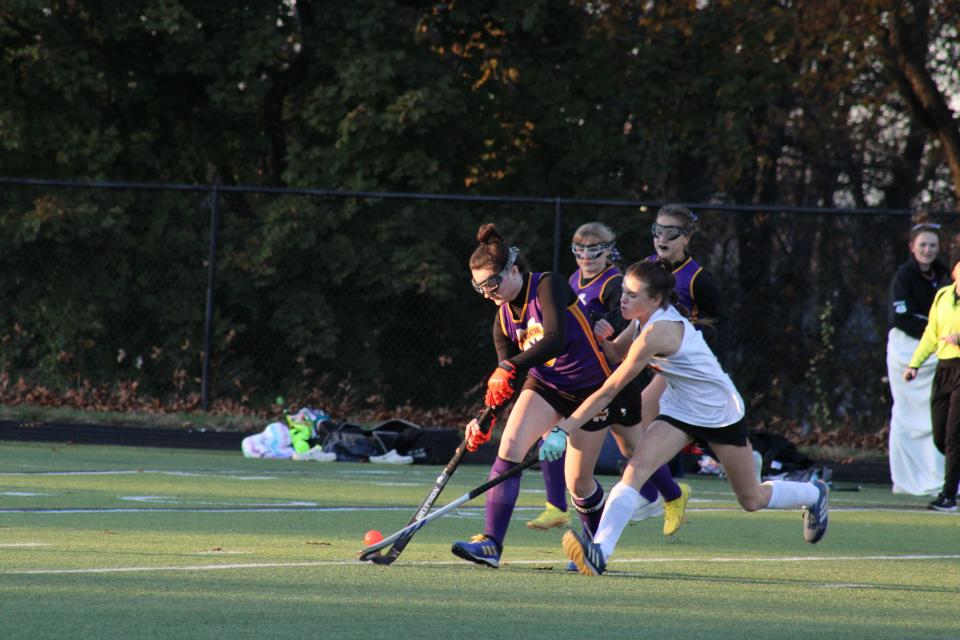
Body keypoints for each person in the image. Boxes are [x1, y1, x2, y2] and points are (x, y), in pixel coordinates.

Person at [537, 259, 829, 576]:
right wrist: (605, 339)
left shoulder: (657, 333)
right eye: (623, 291)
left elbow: (610, 389)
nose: (623, 299)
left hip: (719, 413)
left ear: (655, 300)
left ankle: (814, 494)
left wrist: (564, 428)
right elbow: (617, 355)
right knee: (635, 470)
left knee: (751, 498)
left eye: (632, 295)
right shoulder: (640, 320)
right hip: (680, 409)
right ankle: (600, 552)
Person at [451, 223, 679, 569]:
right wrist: (485, 417)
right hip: (546, 386)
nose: (487, 293)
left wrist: (510, 365)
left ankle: (593, 548)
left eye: (492, 283)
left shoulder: (548, 285)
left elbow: (554, 339)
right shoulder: (502, 319)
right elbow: (507, 379)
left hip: (591, 391)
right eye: (478, 287)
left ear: (513, 270)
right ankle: (491, 543)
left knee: (579, 482)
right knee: (509, 446)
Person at [569, 221, 688, 526]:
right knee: (633, 448)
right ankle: (671, 494)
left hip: (613, 382)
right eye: (579, 248)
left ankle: (596, 540)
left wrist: (604, 333)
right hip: (591, 379)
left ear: (609, 250)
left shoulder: (615, 283)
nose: (586, 255)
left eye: (594, 249)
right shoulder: (574, 280)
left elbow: (625, 334)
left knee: (610, 460)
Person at [887, 217, 948, 496]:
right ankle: (906, 480)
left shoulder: (944, 274)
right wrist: (935, 330)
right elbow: (901, 319)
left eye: (932, 245)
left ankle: (938, 477)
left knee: (937, 413)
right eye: (922, 244)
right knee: (907, 414)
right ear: (912, 247)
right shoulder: (904, 276)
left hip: (940, 351)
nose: (927, 250)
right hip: (908, 351)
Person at [904, 237, 960, 512]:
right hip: (944, 369)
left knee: (953, 437)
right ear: (954, 270)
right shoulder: (942, 296)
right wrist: (914, 364)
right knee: (941, 437)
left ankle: (948, 495)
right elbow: (931, 334)